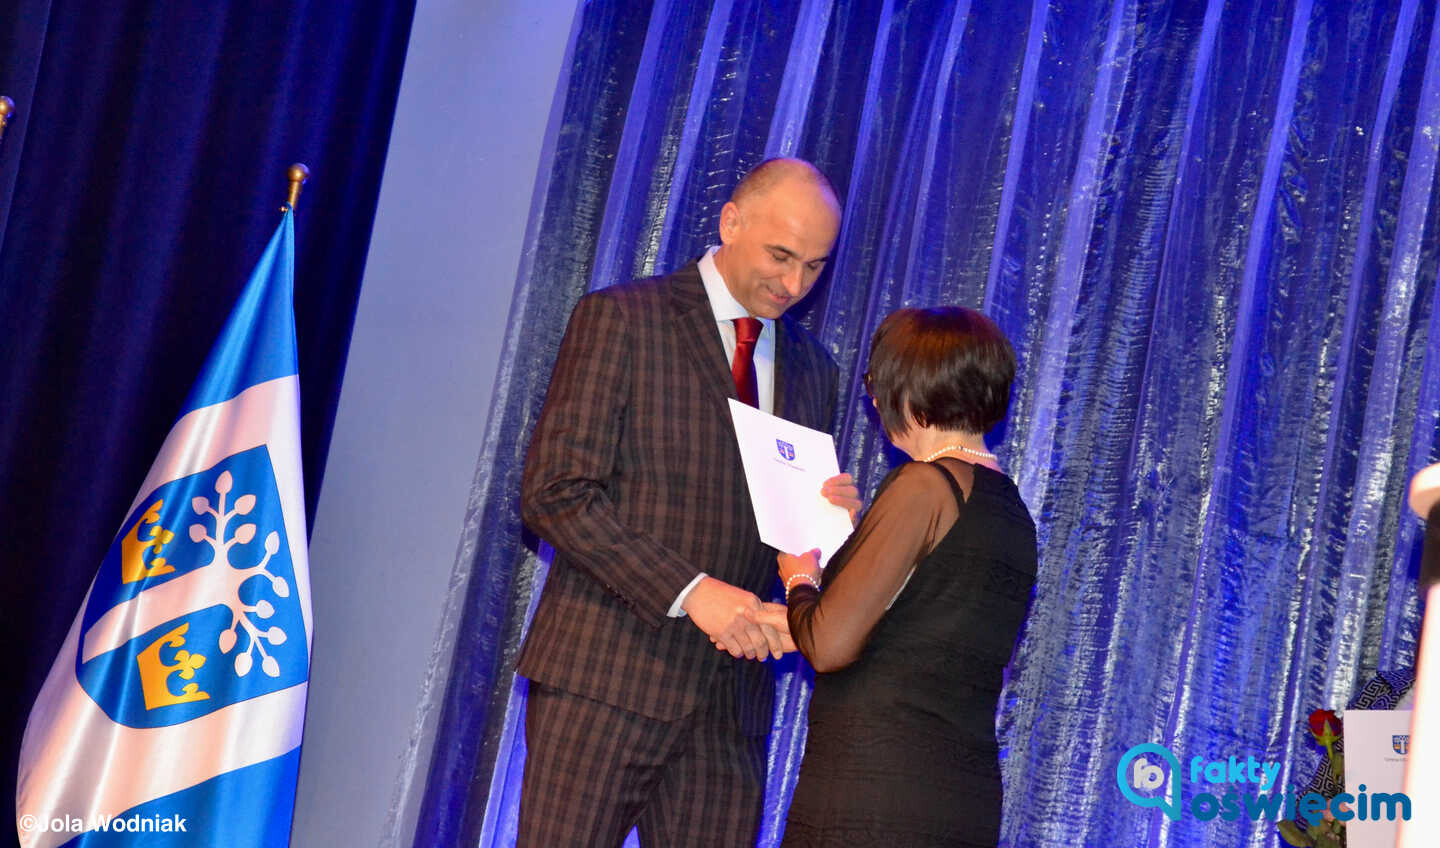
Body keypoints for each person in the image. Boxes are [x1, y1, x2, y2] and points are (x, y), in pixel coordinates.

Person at [516, 158, 860, 847]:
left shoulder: (816, 369)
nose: (794, 284)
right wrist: (693, 591)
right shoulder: (623, 318)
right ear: (731, 222)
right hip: (603, 680)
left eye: (815, 267)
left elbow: (779, 530)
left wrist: (829, 529)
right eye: (781, 256)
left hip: (730, 706)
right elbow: (554, 493)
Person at [757, 306, 1037, 847]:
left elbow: (830, 645)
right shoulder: (1009, 506)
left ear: (909, 389)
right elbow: (916, 630)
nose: (875, 400)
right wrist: (847, 546)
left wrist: (799, 580)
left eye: (876, 384)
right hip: (960, 793)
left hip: (877, 785)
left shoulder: (924, 485)